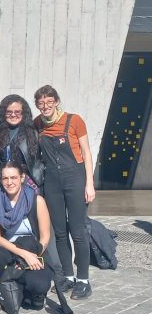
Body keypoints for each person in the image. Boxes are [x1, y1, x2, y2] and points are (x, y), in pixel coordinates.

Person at [34, 85, 95, 299]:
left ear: (56, 101)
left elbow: (87, 153)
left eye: (49, 102)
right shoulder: (38, 124)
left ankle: (83, 280)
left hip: (75, 179)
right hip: (52, 183)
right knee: (59, 233)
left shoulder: (74, 120)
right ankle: (68, 277)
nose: (45, 106)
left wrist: (90, 184)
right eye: (41, 103)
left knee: (78, 231)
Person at [0, 162, 54, 311]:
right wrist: (23, 255)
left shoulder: (37, 201)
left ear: (22, 178)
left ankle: (30, 291)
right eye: (5, 178)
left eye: (13, 178)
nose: (9, 182)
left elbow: (45, 236)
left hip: (32, 248)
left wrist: (32, 256)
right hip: (7, 248)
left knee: (40, 284)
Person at [0, 95, 43, 189]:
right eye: (9, 112)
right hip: (4, 180)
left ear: (24, 113)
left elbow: (39, 161)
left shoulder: (33, 132)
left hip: (27, 180)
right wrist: (0, 174)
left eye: (18, 112)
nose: (13, 115)